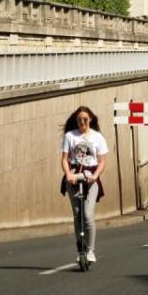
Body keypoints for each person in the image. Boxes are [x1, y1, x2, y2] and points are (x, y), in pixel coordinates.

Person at [59, 106, 107, 263]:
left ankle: (90, 250)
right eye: (79, 119)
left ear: (90, 120)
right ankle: (80, 248)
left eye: (85, 119)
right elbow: (65, 159)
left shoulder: (97, 137)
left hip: (90, 176)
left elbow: (101, 162)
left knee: (87, 215)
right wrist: (68, 175)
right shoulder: (69, 136)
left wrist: (95, 175)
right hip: (74, 175)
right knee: (77, 214)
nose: (82, 122)